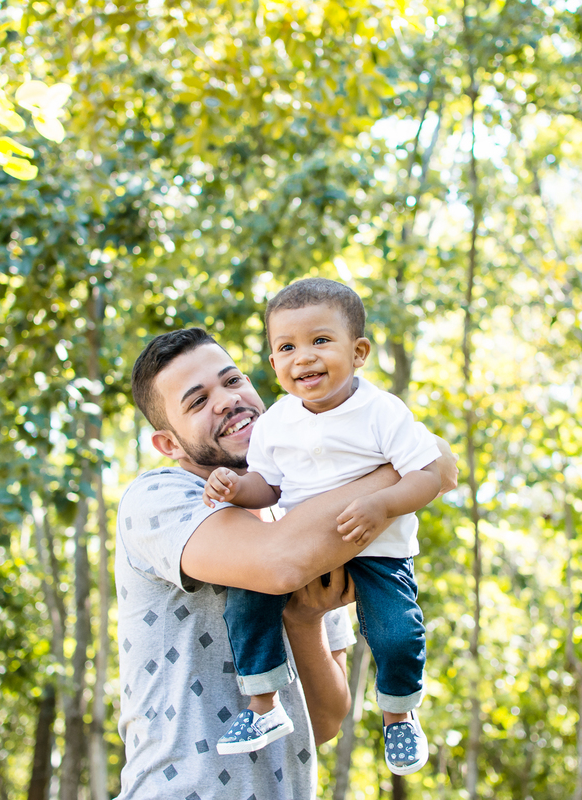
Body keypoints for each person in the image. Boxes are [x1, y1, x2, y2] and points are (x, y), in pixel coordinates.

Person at [115, 326, 456, 800]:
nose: (226, 401)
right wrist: (410, 467)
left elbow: (324, 723)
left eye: (232, 381)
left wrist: (304, 621)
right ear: (169, 445)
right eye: (197, 402)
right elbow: (280, 564)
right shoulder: (160, 498)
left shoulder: (302, 517)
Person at [202, 279, 438, 777]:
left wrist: (382, 505)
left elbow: (431, 474)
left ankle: (399, 714)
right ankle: (263, 706)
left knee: (396, 632)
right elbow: (268, 486)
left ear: (359, 351)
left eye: (320, 341)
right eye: (287, 347)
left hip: (380, 550)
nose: (303, 357)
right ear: (272, 364)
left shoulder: (381, 411)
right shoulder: (275, 424)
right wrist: (234, 488)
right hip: (307, 550)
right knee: (247, 598)